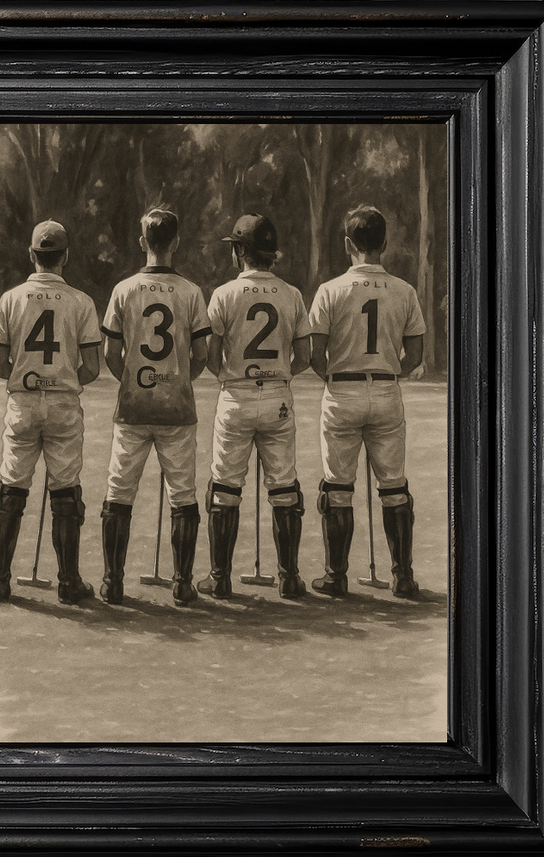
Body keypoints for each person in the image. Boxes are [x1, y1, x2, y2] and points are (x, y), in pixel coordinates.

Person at [308, 205, 426, 598]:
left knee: (338, 488)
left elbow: (314, 353)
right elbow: (416, 354)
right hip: (387, 391)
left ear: (347, 244)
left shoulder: (329, 290)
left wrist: (336, 376)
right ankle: (403, 576)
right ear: (385, 244)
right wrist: (391, 373)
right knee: (394, 487)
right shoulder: (405, 290)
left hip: (342, 391)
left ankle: (335, 575)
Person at [100, 208, 210, 606]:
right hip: (177, 408)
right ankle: (182, 584)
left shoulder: (124, 289)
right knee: (183, 494)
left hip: (132, 407)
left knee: (118, 491)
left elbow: (112, 353)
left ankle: (113, 583)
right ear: (176, 242)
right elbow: (201, 354)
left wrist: (131, 379)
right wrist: (177, 380)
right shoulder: (192, 291)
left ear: (143, 242)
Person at [0, 220, 101, 604]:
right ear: (65, 257)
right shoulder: (81, 301)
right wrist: (64, 380)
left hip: (22, 402)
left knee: (11, 489)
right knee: (66, 492)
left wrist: (27, 378)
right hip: (64, 405)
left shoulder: (11, 298)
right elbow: (92, 368)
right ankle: (69, 583)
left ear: (32, 255)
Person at [200, 213, 311, 600]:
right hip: (278, 395)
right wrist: (281, 375)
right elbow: (305, 355)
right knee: (284, 486)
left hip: (236, 395)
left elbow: (211, 356)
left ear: (240, 252)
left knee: (226, 487)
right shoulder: (292, 294)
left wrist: (230, 376)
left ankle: (220, 577)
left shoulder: (224, 294)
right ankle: (290, 577)